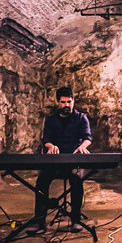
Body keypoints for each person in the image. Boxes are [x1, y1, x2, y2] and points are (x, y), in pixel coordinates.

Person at [29, 86, 92, 233]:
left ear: (73, 101)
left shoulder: (81, 118)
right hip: (54, 160)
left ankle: (75, 220)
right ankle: (39, 221)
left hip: (74, 159)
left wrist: (82, 147)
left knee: (76, 179)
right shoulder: (51, 120)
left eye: (69, 102)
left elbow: (88, 137)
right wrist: (50, 146)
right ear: (58, 102)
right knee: (42, 180)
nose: (66, 105)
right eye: (63, 102)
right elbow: (46, 139)